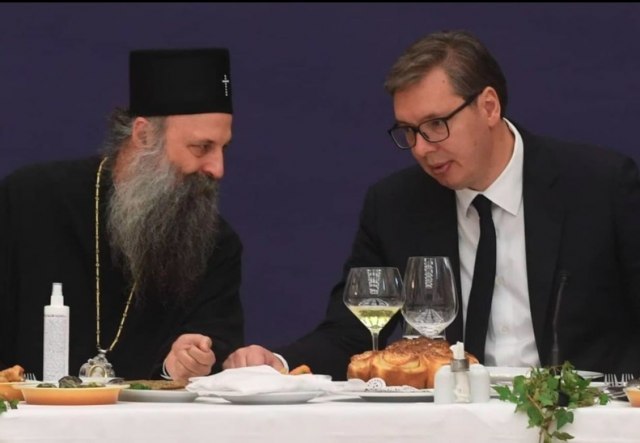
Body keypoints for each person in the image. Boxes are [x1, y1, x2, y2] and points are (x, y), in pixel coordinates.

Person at [223, 30, 640, 379]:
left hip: (582, 420)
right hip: (450, 423)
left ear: (489, 106)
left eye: (436, 125)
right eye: (408, 131)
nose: (421, 148)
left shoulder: (599, 186)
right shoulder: (396, 205)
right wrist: (278, 363)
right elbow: (352, 332)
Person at [0, 48, 244, 382]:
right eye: (202, 147)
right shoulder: (28, 199)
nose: (217, 168)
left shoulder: (215, 242)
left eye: (223, 148)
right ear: (144, 135)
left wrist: (185, 363)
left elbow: (218, 345)